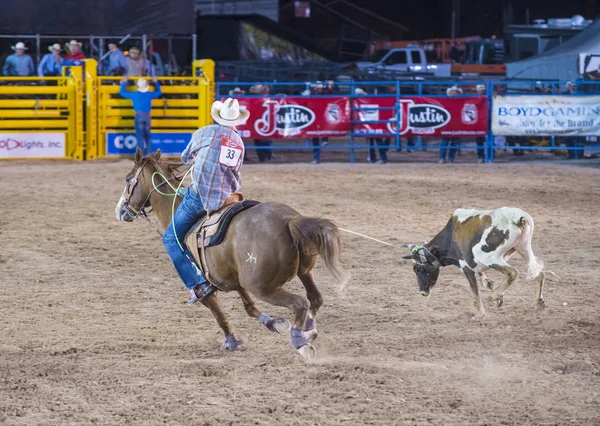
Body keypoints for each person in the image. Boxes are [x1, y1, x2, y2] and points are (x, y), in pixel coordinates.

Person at [163, 98, 249, 304]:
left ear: (216, 116)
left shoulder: (203, 133)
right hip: (226, 196)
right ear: (236, 120)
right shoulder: (238, 142)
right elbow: (233, 169)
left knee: (170, 239)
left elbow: (185, 158)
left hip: (200, 197)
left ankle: (198, 284)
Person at [119, 76, 162, 155]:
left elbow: (122, 93)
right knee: (147, 135)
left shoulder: (134, 94)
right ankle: (149, 154)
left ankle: (141, 155)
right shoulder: (149, 94)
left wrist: (124, 82)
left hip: (138, 115)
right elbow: (159, 92)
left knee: (140, 136)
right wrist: (156, 82)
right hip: (147, 116)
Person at [248, 85, 274, 162]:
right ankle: (264, 156)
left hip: (263, 120)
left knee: (264, 139)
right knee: (259, 139)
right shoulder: (254, 99)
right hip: (259, 120)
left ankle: (266, 156)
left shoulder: (266, 98)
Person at [439, 85, 463, 164]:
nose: (454, 93)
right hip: (448, 124)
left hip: (455, 124)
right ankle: (443, 158)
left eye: (456, 92)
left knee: (454, 143)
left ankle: (450, 158)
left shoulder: (461, 102)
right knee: (445, 142)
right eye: (453, 92)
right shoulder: (446, 101)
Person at [474, 84, 487, 163]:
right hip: (478, 122)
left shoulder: (488, 98)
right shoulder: (475, 99)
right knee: (479, 141)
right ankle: (480, 157)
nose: (481, 91)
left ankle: (488, 156)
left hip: (487, 120)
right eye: (479, 90)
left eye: (482, 89)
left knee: (488, 140)